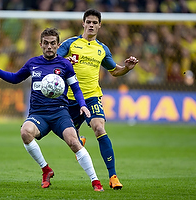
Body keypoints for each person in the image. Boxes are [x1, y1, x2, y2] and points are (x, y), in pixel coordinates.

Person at [0, 28, 104, 191]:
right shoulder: (33, 63)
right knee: (25, 132)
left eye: (53, 43)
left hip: (60, 112)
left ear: (58, 45)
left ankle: (95, 181)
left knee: (74, 141)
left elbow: (75, 88)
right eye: (45, 43)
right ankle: (46, 169)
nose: (49, 46)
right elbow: (15, 78)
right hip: (39, 114)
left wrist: (82, 104)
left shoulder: (65, 64)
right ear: (40, 44)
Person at [57, 8, 139, 190]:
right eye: (89, 22)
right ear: (83, 23)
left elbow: (115, 71)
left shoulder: (102, 49)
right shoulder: (70, 44)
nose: (92, 25)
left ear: (100, 26)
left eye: (95, 23)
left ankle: (113, 177)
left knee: (99, 127)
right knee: (69, 138)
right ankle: (79, 139)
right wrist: (64, 62)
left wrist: (127, 68)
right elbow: (53, 61)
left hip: (92, 97)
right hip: (68, 98)